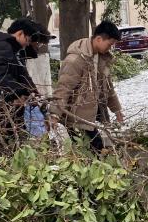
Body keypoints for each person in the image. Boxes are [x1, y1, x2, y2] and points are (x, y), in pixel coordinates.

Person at [52, 21, 125, 151]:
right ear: (98, 39)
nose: (110, 48)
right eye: (110, 44)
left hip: (91, 115)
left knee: (93, 150)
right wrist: (54, 114)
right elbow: (63, 88)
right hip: (75, 117)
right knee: (94, 149)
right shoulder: (75, 60)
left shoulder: (102, 59)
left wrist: (117, 110)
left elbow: (108, 87)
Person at [0, 18, 43, 148]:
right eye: (28, 40)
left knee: (9, 145)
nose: (27, 44)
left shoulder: (10, 49)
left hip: (2, 108)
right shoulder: (4, 46)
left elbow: (21, 73)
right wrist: (18, 93)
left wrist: (32, 91)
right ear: (20, 33)